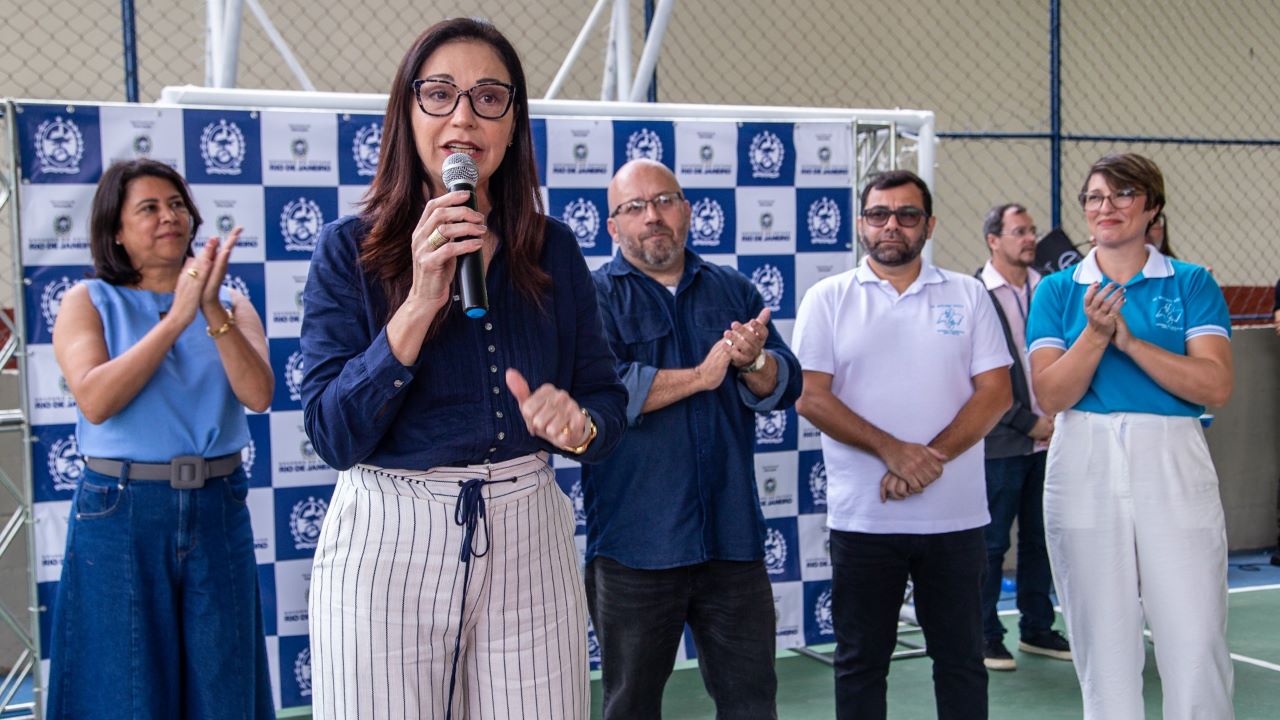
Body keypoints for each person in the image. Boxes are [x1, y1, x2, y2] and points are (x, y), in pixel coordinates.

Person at [299, 18, 626, 720]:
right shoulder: (347, 251)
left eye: (488, 97)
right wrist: (420, 301)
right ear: (406, 113)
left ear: (513, 124)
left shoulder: (554, 249)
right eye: (440, 94)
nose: (464, 117)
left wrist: (583, 426)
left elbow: (604, 399)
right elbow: (331, 433)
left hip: (527, 529)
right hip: (389, 536)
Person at [46, 159, 274, 719]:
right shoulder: (87, 301)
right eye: (148, 208)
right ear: (116, 230)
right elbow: (96, 400)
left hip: (217, 506)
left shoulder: (232, 302)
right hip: (120, 511)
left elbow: (259, 393)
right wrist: (175, 319)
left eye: (176, 205)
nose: (168, 216)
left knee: (224, 687)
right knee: (122, 691)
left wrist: (211, 306)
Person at [585, 159, 803, 718]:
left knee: (752, 702)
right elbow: (601, 392)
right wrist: (703, 377)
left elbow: (784, 382)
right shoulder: (592, 298)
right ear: (613, 227)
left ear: (686, 210)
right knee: (630, 705)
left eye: (664, 201)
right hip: (637, 548)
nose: (652, 216)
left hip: (731, 541)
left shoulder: (733, 289)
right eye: (634, 207)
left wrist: (755, 364)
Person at [792, 169, 1012, 719]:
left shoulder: (968, 294)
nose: (893, 225)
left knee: (961, 662)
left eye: (907, 215)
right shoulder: (827, 298)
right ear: (862, 224)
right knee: (861, 663)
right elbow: (810, 397)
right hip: (866, 521)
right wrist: (895, 452)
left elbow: (996, 394)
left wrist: (924, 460)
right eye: (879, 214)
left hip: (956, 522)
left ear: (929, 225)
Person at [1027, 153, 1234, 718]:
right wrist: (1094, 337)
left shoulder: (1192, 282)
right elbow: (1050, 396)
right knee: (1102, 640)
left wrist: (1131, 343)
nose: (1106, 207)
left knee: (1194, 635)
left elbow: (1214, 385)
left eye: (1122, 195)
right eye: (1095, 197)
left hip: (1170, 454)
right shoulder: (1057, 291)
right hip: (1082, 456)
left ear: (1152, 208)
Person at [975, 204, 1071, 671]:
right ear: (994, 240)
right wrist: (1025, 420)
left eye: (1032, 230)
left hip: (1053, 438)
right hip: (1003, 442)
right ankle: (985, 634)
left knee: (1041, 538)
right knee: (992, 543)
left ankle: (1037, 627)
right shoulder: (975, 293)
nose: (1030, 238)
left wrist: (1054, 417)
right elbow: (975, 376)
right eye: (1019, 231)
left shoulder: (1049, 288)